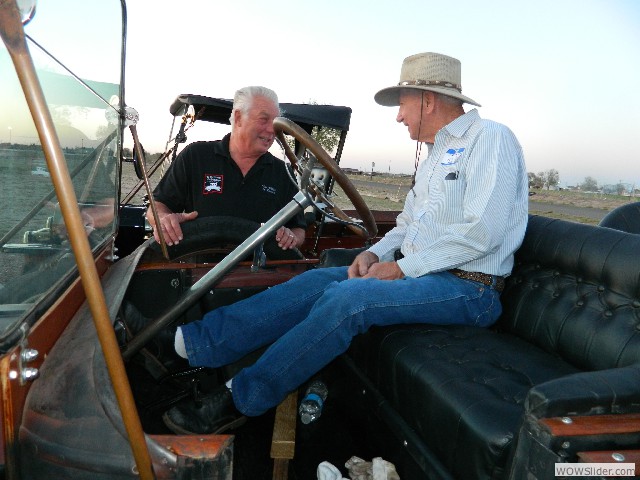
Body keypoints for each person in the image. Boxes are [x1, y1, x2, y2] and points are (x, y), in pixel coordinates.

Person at [162, 52, 529, 434]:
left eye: (402, 104)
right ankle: (188, 344)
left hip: (470, 288)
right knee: (316, 281)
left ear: (428, 99)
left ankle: (241, 398)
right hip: (424, 276)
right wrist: (374, 253)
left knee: (349, 299)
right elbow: (407, 225)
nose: (399, 115)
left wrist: (401, 268)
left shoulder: (491, 139)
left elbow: (484, 233)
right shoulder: (436, 154)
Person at [147, 86, 306, 251]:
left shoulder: (283, 172)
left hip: (259, 273)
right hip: (199, 271)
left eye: (275, 122)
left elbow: (299, 229)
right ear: (238, 118)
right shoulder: (195, 156)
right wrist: (164, 219)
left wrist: (291, 237)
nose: (272, 129)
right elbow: (157, 206)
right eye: (263, 119)